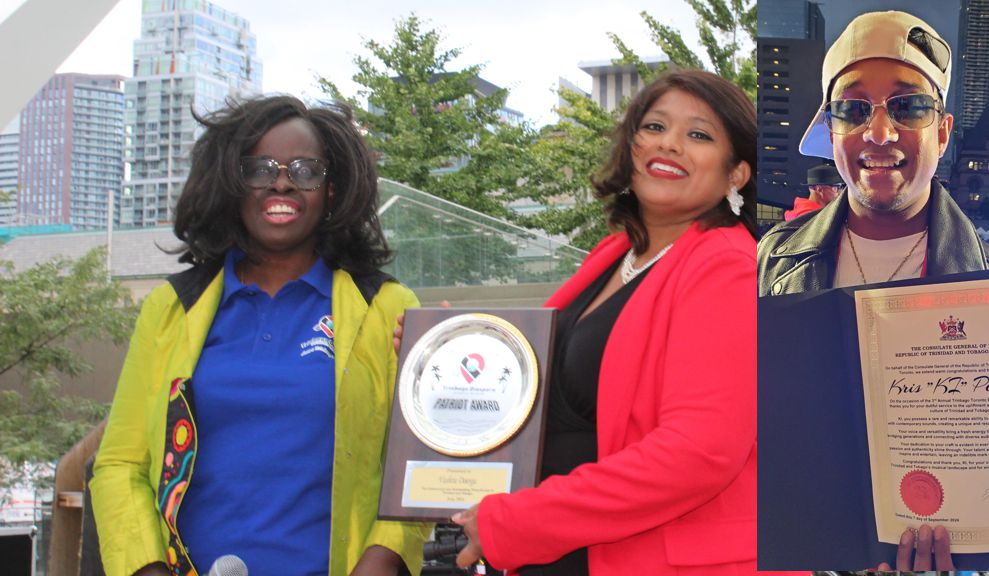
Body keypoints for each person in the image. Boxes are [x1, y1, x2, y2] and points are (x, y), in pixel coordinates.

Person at [426, 69, 765, 576]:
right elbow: (538, 386)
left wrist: (521, 521)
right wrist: (444, 353)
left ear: (735, 173)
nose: (669, 144)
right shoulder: (614, 255)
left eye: (698, 135)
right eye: (654, 127)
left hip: (665, 561)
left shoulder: (729, 266)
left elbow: (697, 453)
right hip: (568, 551)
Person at [90, 96, 430, 576]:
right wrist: (147, 569)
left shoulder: (385, 307)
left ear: (331, 191)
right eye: (260, 169)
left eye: (306, 171)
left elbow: (417, 462)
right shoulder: (170, 309)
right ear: (231, 184)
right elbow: (120, 465)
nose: (282, 182)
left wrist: (383, 557)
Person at [758, 11, 988, 297]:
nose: (879, 134)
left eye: (909, 107)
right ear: (832, 135)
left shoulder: (982, 272)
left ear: (942, 134)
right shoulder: (769, 261)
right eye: (852, 109)